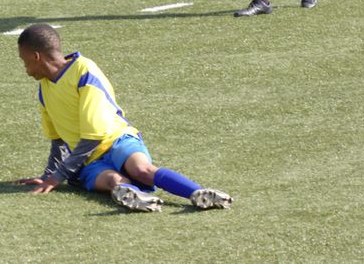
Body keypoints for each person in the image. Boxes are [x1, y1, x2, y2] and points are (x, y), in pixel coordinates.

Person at [15, 24, 233, 212]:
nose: (26, 70)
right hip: (88, 161)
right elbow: (58, 141)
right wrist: (48, 174)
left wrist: (58, 176)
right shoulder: (44, 90)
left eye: (25, 63)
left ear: (37, 56)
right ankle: (139, 198)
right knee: (114, 181)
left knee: (142, 169)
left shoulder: (84, 72)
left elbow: (94, 136)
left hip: (118, 140)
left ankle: (198, 193)